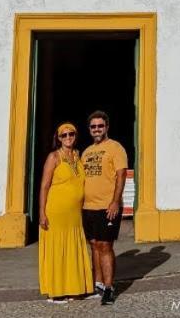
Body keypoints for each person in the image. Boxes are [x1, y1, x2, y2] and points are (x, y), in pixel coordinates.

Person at [37, 122, 94, 302]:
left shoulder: (78, 156)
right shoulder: (54, 157)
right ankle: (56, 292)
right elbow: (44, 186)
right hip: (56, 212)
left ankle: (75, 288)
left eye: (71, 134)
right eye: (64, 135)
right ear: (58, 138)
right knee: (58, 249)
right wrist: (41, 212)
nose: (68, 137)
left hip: (74, 214)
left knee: (73, 249)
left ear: (76, 136)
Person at [81, 111, 128, 306]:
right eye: (93, 127)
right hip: (87, 207)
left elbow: (121, 175)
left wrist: (115, 201)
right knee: (94, 245)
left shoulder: (115, 148)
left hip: (107, 206)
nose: (97, 129)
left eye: (100, 126)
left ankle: (109, 288)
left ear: (107, 127)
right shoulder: (86, 152)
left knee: (105, 246)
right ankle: (98, 284)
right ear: (90, 129)